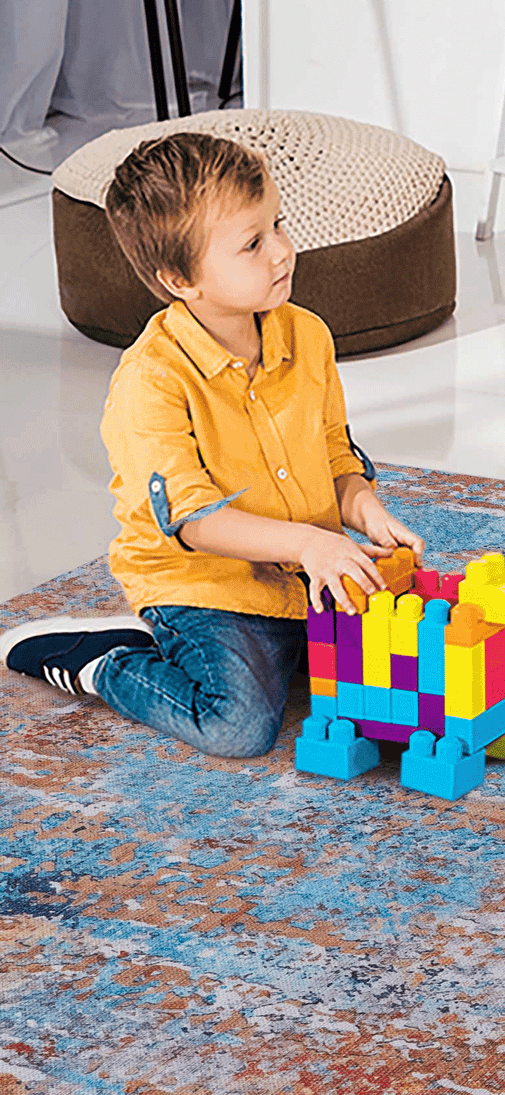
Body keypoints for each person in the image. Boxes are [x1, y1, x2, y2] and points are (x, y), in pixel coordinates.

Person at [1, 131, 425, 757]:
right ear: (179, 278)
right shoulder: (151, 381)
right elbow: (196, 523)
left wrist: (365, 512)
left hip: (296, 571)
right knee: (241, 726)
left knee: (399, 671)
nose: (282, 252)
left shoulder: (307, 335)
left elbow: (336, 453)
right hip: (203, 584)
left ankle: (281, 645)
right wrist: (312, 542)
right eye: (253, 244)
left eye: (278, 225)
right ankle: (106, 658)